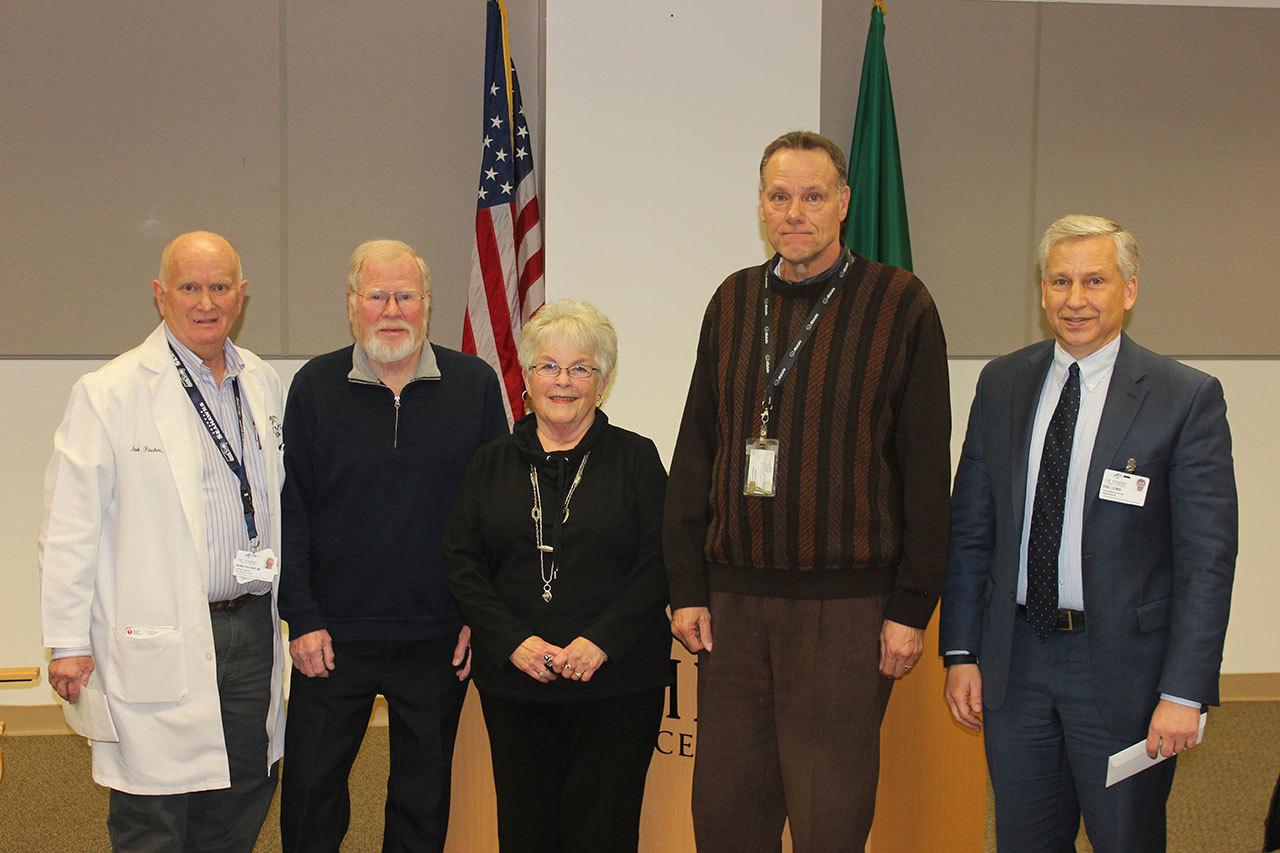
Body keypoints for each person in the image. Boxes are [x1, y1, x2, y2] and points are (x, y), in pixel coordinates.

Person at [663, 130, 952, 852]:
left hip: (846, 609)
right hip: (733, 607)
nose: (796, 212)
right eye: (779, 195)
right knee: (727, 816)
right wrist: (687, 586)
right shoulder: (731, 300)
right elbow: (697, 447)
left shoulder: (901, 304)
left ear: (843, 203)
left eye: (813, 196)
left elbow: (923, 467)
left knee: (829, 818)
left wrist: (912, 605)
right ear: (761, 205)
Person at [941, 215, 1238, 851]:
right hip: (1014, 662)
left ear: (1129, 290)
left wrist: (1185, 690)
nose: (1075, 299)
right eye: (1060, 281)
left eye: (1095, 281)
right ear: (1042, 290)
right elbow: (971, 529)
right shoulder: (1002, 383)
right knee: (1023, 840)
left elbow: (1206, 560)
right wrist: (962, 651)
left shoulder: (1184, 397)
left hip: (1123, 670)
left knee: (1124, 839)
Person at [40, 231, 286, 850]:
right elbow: (69, 528)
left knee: (244, 787)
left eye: (220, 287)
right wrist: (67, 642)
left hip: (251, 627)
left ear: (242, 295)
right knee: (153, 812)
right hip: (157, 630)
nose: (206, 302)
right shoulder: (111, 392)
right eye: (190, 287)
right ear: (160, 295)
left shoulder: (261, 382)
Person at [277, 239, 506, 852]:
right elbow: (292, 508)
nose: (392, 309)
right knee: (311, 796)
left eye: (406, 295)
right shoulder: (315, 385)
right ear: (352, 305)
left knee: (423, 800)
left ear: (427, 304)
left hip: (437, 634)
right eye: (377, 295)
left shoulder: (475, 385)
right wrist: (300, 616)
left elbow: (494, 514)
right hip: (332, 634)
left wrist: (476, 616)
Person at [444, 299, 670, 853]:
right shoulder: (489, 463)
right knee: (525, 833)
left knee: (606, 833)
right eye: (548, 366)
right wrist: (513, 642)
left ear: (603, 381)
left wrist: (600, 642)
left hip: (616, 685)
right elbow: (463, 562)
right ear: (527, 376)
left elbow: (660, 561)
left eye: (580, 368)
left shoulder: (637, 460)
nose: (563, 381)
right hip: (518, 684)